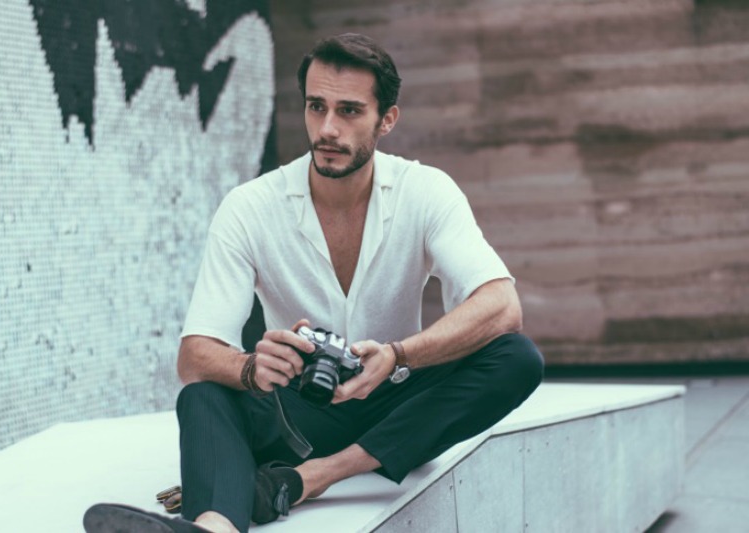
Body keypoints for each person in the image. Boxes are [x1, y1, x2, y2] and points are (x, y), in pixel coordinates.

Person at [84, 32, 544, 533]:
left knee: (516, 357)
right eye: (316, 106)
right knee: (202, 396)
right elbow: (194, 355)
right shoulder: (250, 206)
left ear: (386, 119)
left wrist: (399, 354)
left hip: (396, 404)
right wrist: (251, 367)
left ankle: (309, 479)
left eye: (348, 111)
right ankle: (213, 529)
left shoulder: (425, 191)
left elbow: (502, 305)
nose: (327, 128)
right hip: (296, 411)